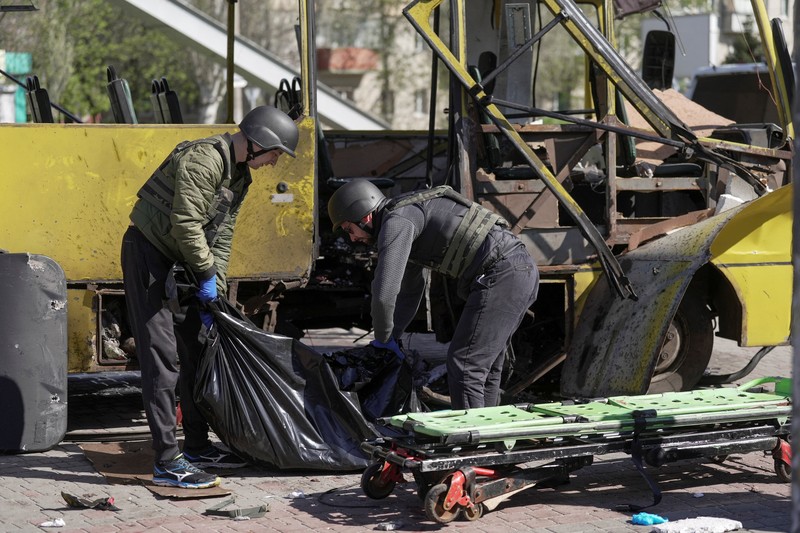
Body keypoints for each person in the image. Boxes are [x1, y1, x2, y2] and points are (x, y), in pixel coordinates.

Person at [121, 106, 300, 489]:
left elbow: (221, 236)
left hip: (182, 259)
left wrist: (215, 289)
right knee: (161, 359)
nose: (273, 163)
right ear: (257, 143)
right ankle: (167, 462)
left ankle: (198, 448)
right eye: (274, 154)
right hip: (148, 255)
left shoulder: (240, 176)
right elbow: (184, 223)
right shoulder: (204, 161)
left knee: (198, 349)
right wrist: (203, 273)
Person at [327, 180, 539, 410]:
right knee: (484, 370)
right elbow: (409, 291)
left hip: (504, 274)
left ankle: (477, 441)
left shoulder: (397, 220)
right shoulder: (406, 217)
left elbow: (384, 292)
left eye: (349, 229)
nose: (352, 238)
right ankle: (490, 437)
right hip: (517, 271)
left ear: (365, 216)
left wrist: (382, 338)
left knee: (466, 366)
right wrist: (393, 337)